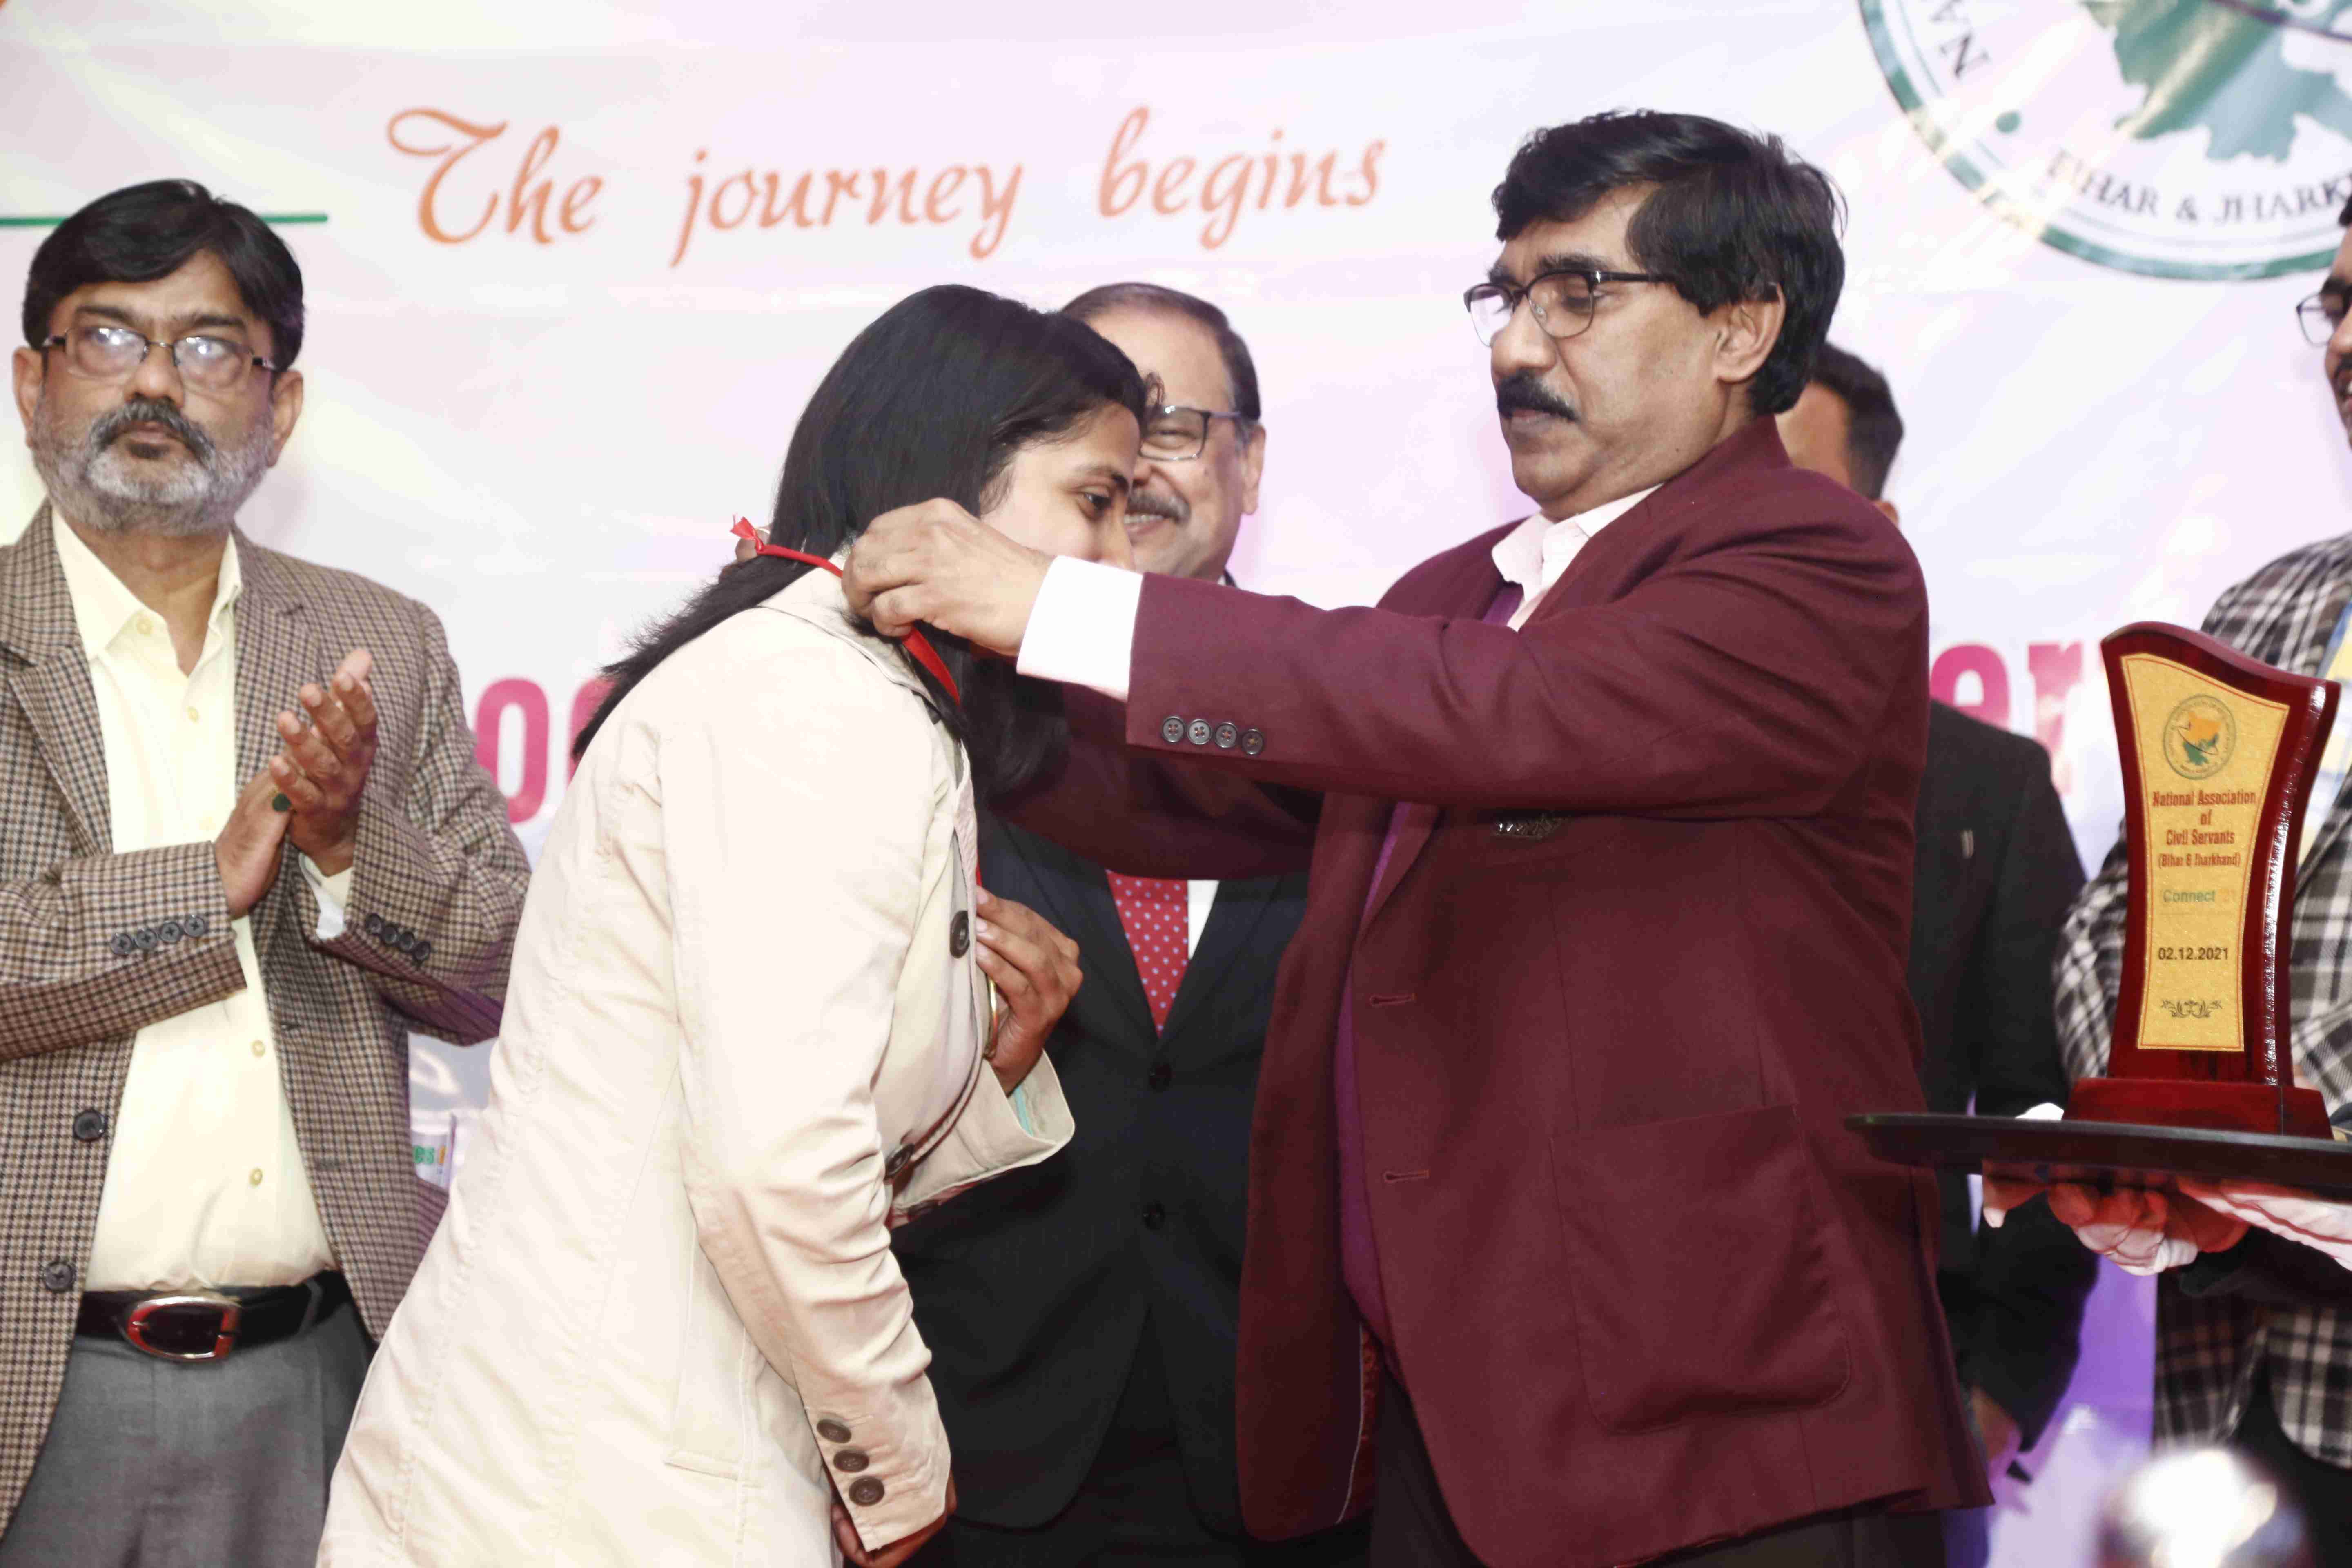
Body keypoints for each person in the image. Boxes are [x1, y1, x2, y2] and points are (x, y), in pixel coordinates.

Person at [843, 111, 1983, 1567]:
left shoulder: (1814, 562)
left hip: (1727, 1408)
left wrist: (1058, 605)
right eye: (1507, 295)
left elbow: (1511, 712)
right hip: (1457, 1420)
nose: (1516, 347)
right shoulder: (1458, 593)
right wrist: (868, 679)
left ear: (1740, 329)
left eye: (1578, 294)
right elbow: (1187, 794)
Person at [318, 284, 1144, 1568]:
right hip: (591, 1486)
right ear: (953, 472)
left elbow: (773, 1139)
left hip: (628, 1461)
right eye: (1095, 501)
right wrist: (899, 1464)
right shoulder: (813, 701)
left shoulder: (837, 684)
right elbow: (778, 1170)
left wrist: (983, 1064)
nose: (1121, 559)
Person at [0, 180, 530, 1566]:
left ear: (280, 406)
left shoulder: (379, 643)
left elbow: (491, 975)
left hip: (323, 1380)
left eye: (208, 347)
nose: (154, 383)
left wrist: (349, 846)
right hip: (31, 1386)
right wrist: (211, 879)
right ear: (32, 383)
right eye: (107, 338)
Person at [893, 283, 1363, 1567]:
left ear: (1249, 464)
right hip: (977, 1444)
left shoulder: (1362, 725)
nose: (1137, 469)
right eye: (1096, 434)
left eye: (1173, 426)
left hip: (1284, 1465)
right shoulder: (916, 719)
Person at [2010, 191, 2352, 1541]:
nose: (2347, 340)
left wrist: (2234, 1135)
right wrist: (2158, 1125)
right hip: (2225, 1390)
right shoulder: (2265, 607)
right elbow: (2122, 918)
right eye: (2339, 304)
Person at [1779, 343, 2097, 1565]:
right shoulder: (1602, 755)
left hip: (1894, 1423)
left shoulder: (1984, 790)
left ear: (1877, 531)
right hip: (1614, 1412)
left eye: (1784, 493)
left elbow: (2046, 1112)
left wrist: (1999, 1387)